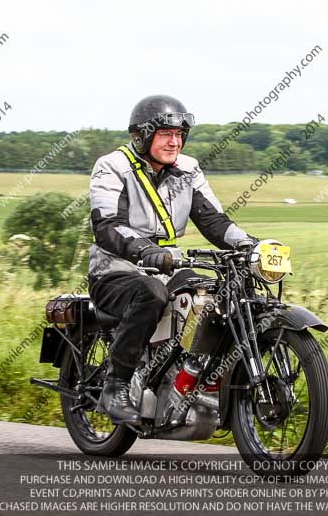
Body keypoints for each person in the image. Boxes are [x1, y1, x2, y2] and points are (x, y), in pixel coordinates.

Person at [88, 94, 258, 425]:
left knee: (214, 293)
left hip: (168, 265)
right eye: (166, 134)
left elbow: (214, 221)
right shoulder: (112, 167)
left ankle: (196, 378)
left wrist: (251, 245)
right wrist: (144, 250)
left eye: (180, 135)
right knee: (151, 293)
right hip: (115, 270)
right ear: (142, 135)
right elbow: (107, 226)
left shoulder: (188, 169)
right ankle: (115, 384)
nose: (174, 142)